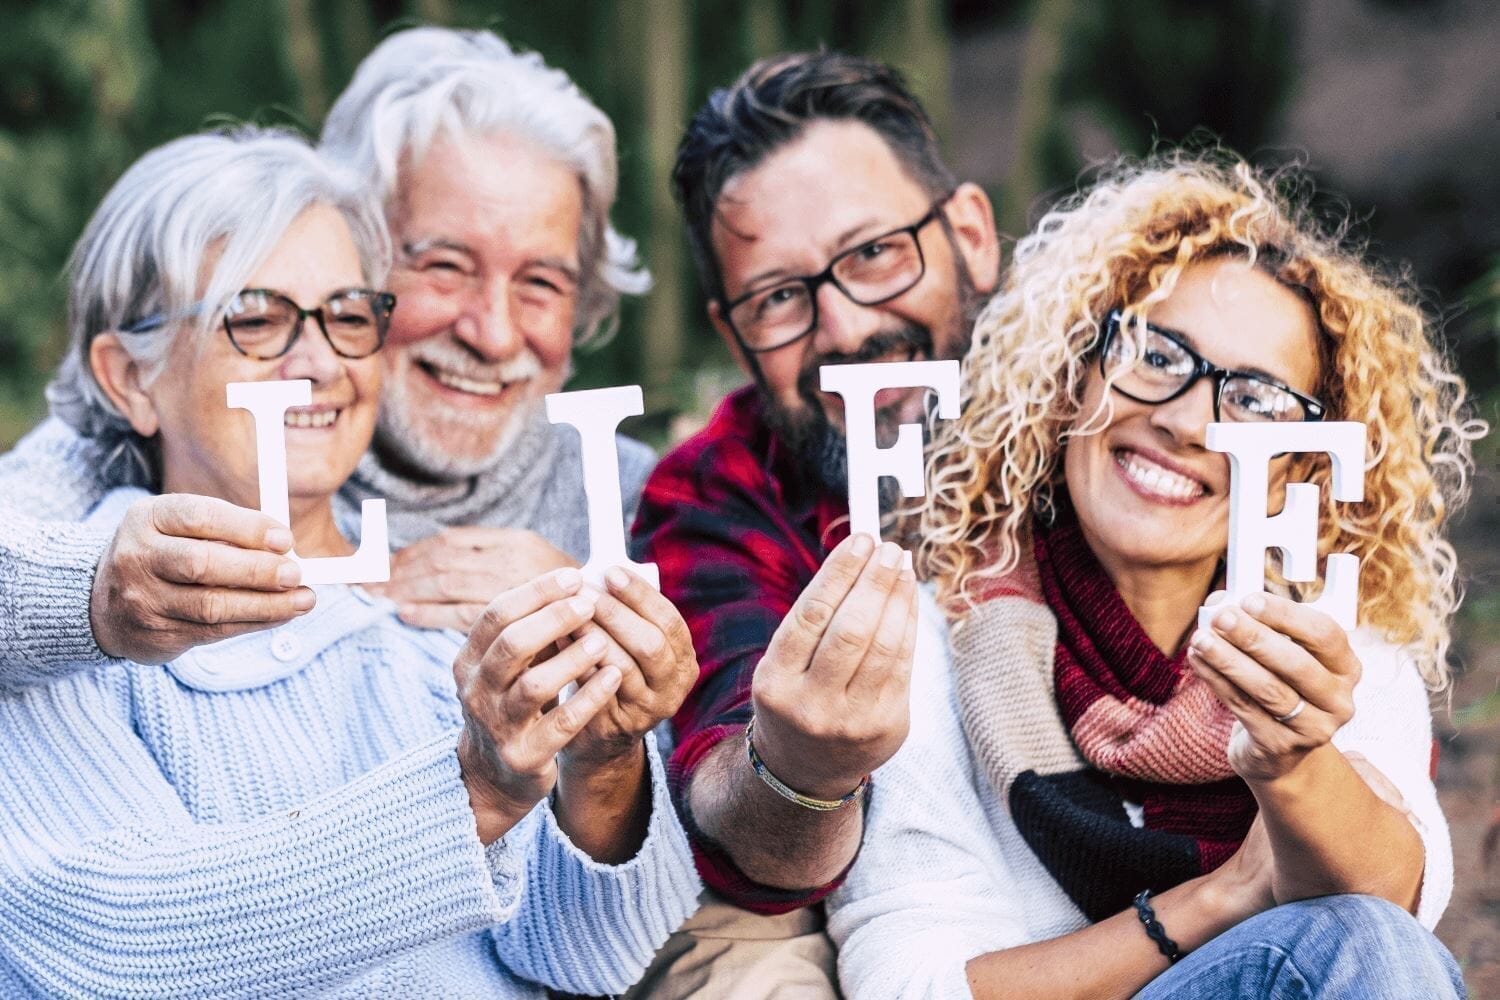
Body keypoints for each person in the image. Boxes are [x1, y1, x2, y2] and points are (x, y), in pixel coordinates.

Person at [0, 125, 700, 998]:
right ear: (128, 378)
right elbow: (108, 948)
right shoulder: (59, 626)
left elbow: (588, 959)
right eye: (255, 319)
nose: (321, 362)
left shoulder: (449, 615)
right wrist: (473, 793)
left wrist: (604, 763)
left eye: (345, 316)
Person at [825, 151, 1480, 998]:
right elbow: (906, 986)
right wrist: (1220, 898)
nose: (1186, 421)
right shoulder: (930, 633)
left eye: (1257, 400)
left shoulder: (1329, 638)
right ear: (1071, 376)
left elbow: (1397, 912)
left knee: (1363, 937)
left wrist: (1292, 766)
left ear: (1300, 467)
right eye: (1156, 354)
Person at [0, 26, 655, 674]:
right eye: (445, 266)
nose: (494, 335)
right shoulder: (153, 445)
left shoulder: (633, 496)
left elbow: (713, 747)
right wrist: (98, 602)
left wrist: (587, 622)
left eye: (541, 283)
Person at [628, 52, 1001, 995]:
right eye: (781, 298)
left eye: (875, 253)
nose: (841, 331)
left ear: (972, 234)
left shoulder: (1132, 427)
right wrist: (799, 771)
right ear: (731, 332)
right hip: (825, 924)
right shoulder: (713, 495)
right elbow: (734, 810)